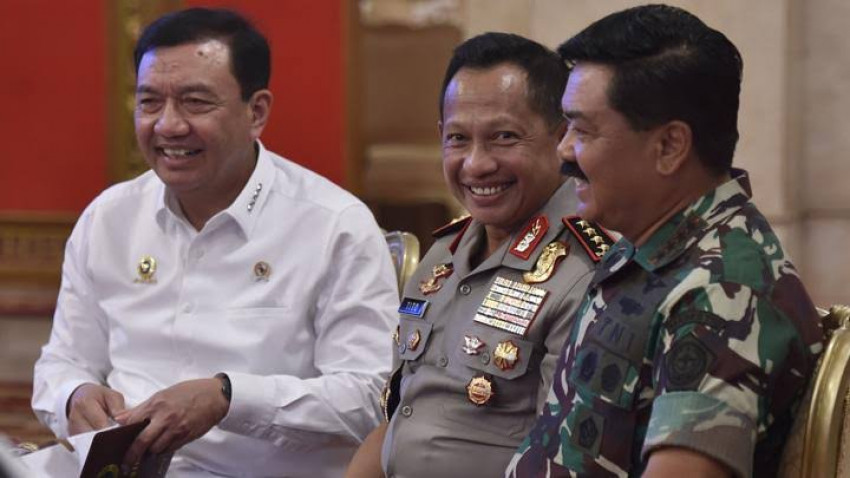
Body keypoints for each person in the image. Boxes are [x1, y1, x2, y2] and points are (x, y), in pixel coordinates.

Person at [32, 8, 399, 477]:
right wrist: (74, 395)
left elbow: (371, 398)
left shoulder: (334, 226)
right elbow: (63, 360)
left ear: (256, 112)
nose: (168, 125)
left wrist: (229, 399)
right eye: (149, 102)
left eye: (195, 102)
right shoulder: (110, 217)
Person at [506, 5, 824, 478]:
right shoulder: (649, 245)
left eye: (583, 130)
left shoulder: (722, 294)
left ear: (670, 146)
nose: (563, 150)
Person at [346, 33, 615, 478]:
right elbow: (400, 417)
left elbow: (564, 461)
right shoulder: (444, 255)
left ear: (562, 137)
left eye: (503, 137)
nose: (476, 164)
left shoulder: (586, 270)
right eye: (457, 138)